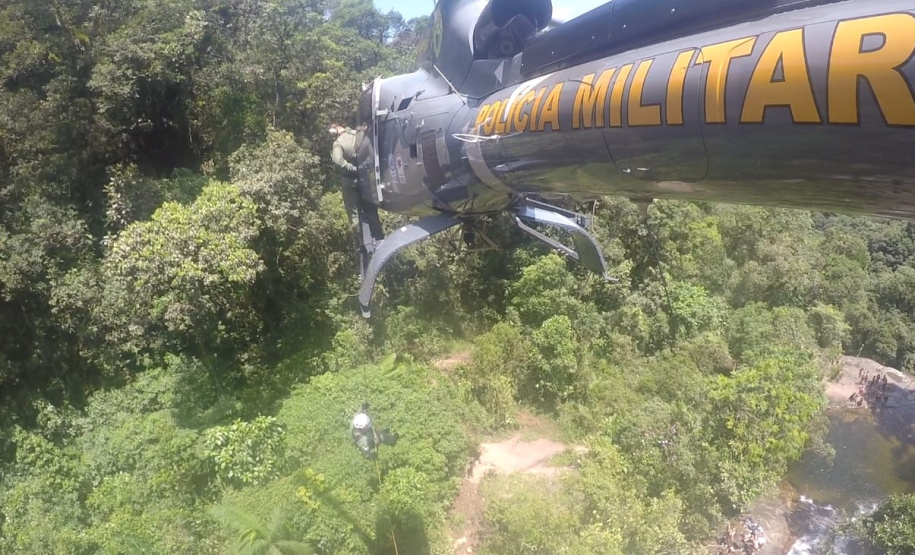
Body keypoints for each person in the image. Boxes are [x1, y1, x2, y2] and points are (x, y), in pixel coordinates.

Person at [329, 121, 384, 268]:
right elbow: (372, 153)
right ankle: (379, 240)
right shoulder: (358, 135)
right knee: (371, 211)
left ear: (333, 132)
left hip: (350, 181)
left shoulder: (339, 143)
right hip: (365, 178)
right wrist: (364, 167)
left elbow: (337, 160)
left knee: (354, 214)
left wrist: (352, 168)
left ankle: (363, 244)